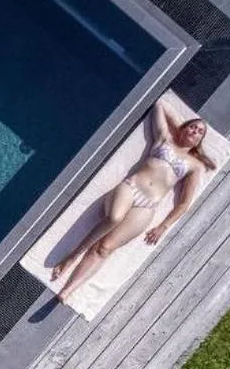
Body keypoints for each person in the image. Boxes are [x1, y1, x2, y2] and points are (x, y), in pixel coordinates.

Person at [51, 100, 215, 299]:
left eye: (199, 132)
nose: (195, 131)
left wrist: (163, 226)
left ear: (199, 141)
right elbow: (160, 105)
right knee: (114, 218)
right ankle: (72, 256)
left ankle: (67, 291)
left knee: (105, 248)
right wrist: (180, 127)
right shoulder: (164, 138)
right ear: (183, 127)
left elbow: (184, 203)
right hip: (131, 188)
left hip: (147, 206)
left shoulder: (195, 166)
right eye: (192, 127)